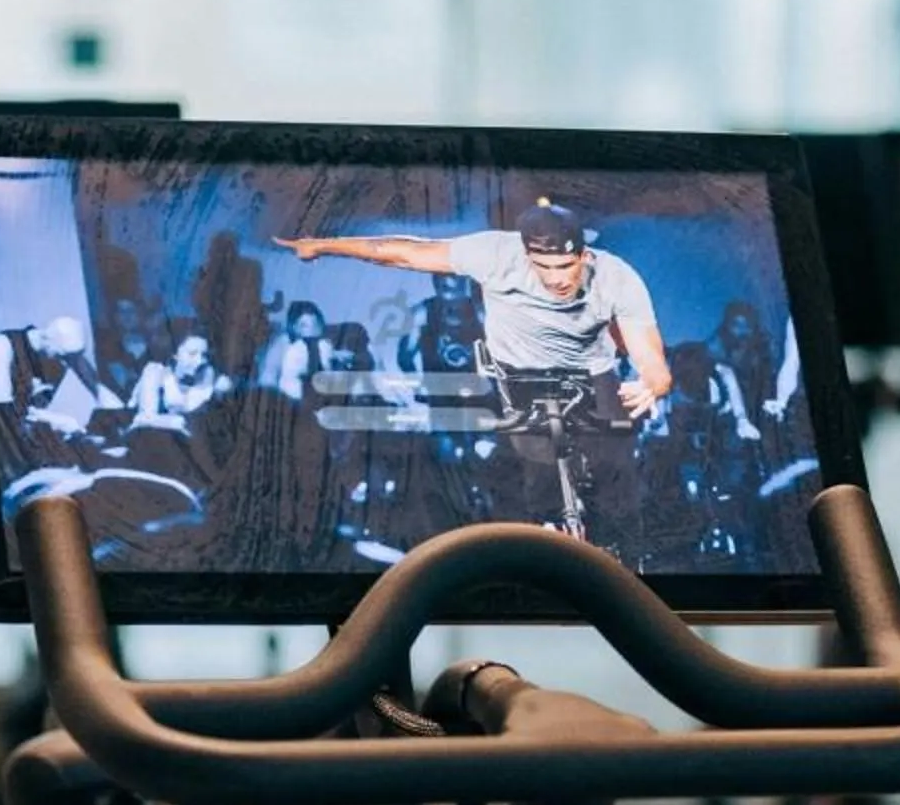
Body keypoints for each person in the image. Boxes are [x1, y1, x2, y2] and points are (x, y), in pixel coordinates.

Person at [275, 200, 670, 555]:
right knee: (533, 471)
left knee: (615, 469)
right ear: (526, 253)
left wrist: (651, 382)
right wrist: (322, 246)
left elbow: (651, 359)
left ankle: (627, 558)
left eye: (565, 267)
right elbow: (401, 252)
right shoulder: (495, 254)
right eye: (543, 267)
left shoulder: (616, 277)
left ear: (583, 256)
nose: (556, 280)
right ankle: (547, 533)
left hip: (592, 372)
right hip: (522, 375)